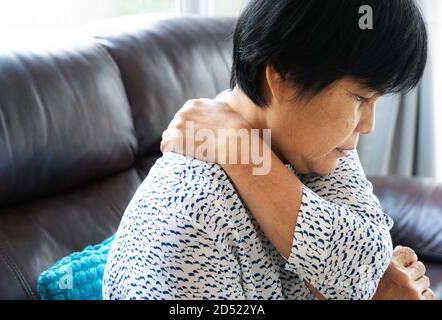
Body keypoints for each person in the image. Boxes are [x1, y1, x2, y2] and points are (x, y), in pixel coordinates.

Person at [103, 0, 434, 299]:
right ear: (284, 77)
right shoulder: (191, 220)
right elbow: (372, 282)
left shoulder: (315, 150)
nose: (368, 124)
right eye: (360, 98)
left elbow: (364, 266)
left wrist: (241, 148)